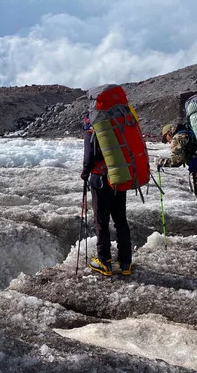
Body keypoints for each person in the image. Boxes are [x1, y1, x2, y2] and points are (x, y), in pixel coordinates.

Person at [156, 124, 197, 253]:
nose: (168, 141)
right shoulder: (190, 134)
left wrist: (161, 162)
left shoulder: (178, 138)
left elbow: (176, 161)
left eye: (167, 138)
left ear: (169, 133)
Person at [80, 116, 133, 276]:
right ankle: (126, 263)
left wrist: (84, 174)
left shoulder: (91, 133)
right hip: (119, 178)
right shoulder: (116, 131)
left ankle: (104, 262)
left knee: (101, 221)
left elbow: (88, 159)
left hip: (100, 181)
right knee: (120, 221)